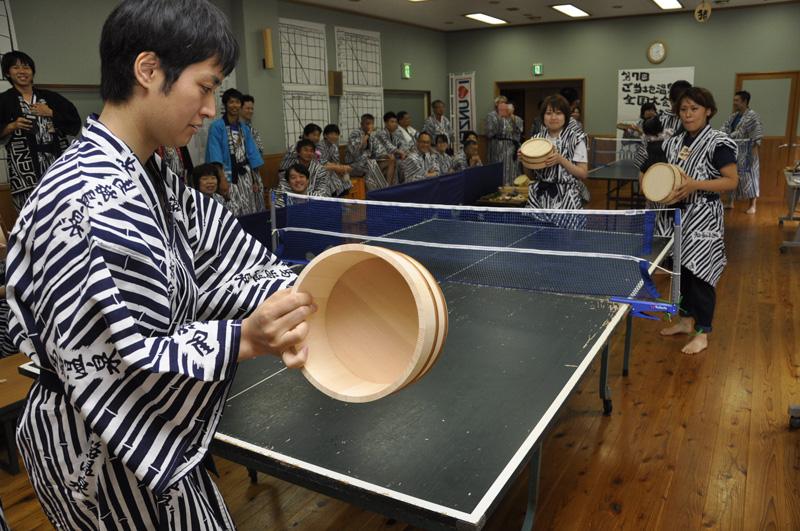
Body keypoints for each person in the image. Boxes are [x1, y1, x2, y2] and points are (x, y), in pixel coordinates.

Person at [6, 1, 315, 528]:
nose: (211, 109)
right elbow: (122, 357)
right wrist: (245, 338)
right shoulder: (87, 198)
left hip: (140, 433)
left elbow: (219, 253)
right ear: (148, 70)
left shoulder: (151, 174)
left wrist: (304, 291)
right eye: (206, 86)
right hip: (100, 444)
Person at [646, 87, 739, 355]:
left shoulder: (718, 142)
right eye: (684, 109)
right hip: (676, 217)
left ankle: (703, 332)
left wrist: (695, 185)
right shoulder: (674, 142)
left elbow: (732, 181)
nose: (688, 114)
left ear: (708, 111)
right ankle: (686, 321)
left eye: (694, 109)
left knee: (701, 275)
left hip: (704, 218)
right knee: (681, 273)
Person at [0, 51, 81, 212]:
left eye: (26, 67)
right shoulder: (3, 100)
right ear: (8, 73)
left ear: (32, 71)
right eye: (16, 67)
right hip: (25, 171)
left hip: (58, 163)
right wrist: (12, 126)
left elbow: (74, 122)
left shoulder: (51, 97)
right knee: (31, 213)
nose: (22, 71)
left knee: (67, 209)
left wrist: (51, 113)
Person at [523, 94, 588, 217]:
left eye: (558, 113)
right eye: (548, 113)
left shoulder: (577, 139)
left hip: (567, 200)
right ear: (543, 117)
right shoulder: (536, 140)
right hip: (539, 198)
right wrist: (525, 160)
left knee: (565, 230)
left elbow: (583, 173)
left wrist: (561, 160)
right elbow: (530, 175)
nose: (553, 117)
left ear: (566, 116)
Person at [206, 87, 265, 215]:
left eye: (237, 102)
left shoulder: (244, 128)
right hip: (227, 175)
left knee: (250, 209)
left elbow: (251, 155)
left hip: (246, 176)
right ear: (225, 104)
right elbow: (215, 156)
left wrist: (255, 180)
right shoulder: (217, 127)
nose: (234, 105)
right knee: (232, 210)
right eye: (231, 102)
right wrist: (221, 180)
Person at [721, 90, 763, 214]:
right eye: (734, 100)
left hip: (748, 151)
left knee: (751, 177)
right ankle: (730, 202)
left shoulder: (753, 116)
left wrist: (753, 154)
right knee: (732, 175)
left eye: (737, 101)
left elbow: (757, 135)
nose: (734, 103)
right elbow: (725, 128)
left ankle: (753, 205)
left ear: (745, 101)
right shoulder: (733, 116)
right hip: (734, 150)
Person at [345, 113, 390, 191]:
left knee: (390, 162)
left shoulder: (372, 136)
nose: (370, 126)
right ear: (362, 124)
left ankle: (387, 187)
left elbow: (378, 151)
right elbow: (356, 148)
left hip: (367, 163)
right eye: (368, 124)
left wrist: (385, 155)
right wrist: (367, 134)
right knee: (371, 165)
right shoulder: (355, 134)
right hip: (353, 165)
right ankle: (377, 191)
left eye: (372, 124)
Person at [486, 96, 524, 185]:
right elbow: (490, 133)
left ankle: (513, 188)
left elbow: (519, 130)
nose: (503, 105)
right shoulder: (492, 116)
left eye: (505, 103)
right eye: (500, 103)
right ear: (496, 105)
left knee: (513, 170)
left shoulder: (514, 117)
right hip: (498, 148)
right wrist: (501, 117)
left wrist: (511, 116)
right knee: (500, 170)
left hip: (512, 148)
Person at [372, 111, 406, 185]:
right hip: (379, 159)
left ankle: (403, 185)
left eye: (396, 122)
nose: (395, 124)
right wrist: (400, 152)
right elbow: (389, 147)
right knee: (397, 162)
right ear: (386, 123)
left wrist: (403, 151)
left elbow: (402, 144)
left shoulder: (395, 134)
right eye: (392, 122)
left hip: (391, 157)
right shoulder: (381, 133)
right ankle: (392, 186)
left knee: (405, 162)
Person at [319, 123, 352, 196]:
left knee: (345, 173)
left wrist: (342, 168)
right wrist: (338, 168)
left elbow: (336, 161)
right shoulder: (320, 146)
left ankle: (341, 196)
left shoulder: (334, 146)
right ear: (325, 135)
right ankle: (334, 196)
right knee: (333, 176)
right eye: (331, 134)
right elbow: (323, 162)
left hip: (332, 168)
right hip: (323, 169)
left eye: (336, 134)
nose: (334, 136)